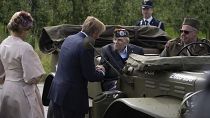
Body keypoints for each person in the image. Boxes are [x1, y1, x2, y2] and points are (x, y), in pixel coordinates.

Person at [47, 16, 106, 118]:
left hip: (57, 93)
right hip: (72, 99)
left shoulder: (69, 38)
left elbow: (73, 64)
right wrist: (102, 72)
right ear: (95, 32)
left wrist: (92, 69)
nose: (98, 37)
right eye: (99, 34)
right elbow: (90, 76)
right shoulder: (86, 45)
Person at [0, 11, 45, 118]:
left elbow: (1, 74)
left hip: (6, 91)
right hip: (22, 94)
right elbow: (34, 76)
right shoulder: (25, 47)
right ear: (24, 30)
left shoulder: (3, 44)